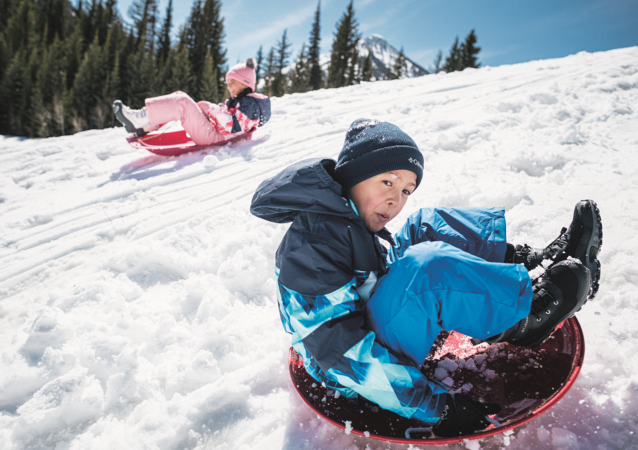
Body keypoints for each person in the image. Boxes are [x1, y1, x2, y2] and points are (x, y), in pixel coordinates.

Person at [249, 118, 602, 438]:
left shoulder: (344, 216)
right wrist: (436, 408)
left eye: (405, 189)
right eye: (387, 181)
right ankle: (524, 319)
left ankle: (533, 264)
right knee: (427, 268)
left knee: (424, 225)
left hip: (367, 325)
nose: (395, 199)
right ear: (351, 177)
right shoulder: (312, 247)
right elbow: (340, 353)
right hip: (349, 373)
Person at [113, 58, 271, 144]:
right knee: (179, 96)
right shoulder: (241, 101)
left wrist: (210, 109)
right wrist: (214, 109)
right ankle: (146, 124)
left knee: (182, 101)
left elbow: (233, 127)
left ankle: (138, 119)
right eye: (227, 82)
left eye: (233, 82)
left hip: (214, 137)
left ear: (246, 83)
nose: (229, 86)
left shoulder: (249, 105)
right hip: (213, 132)